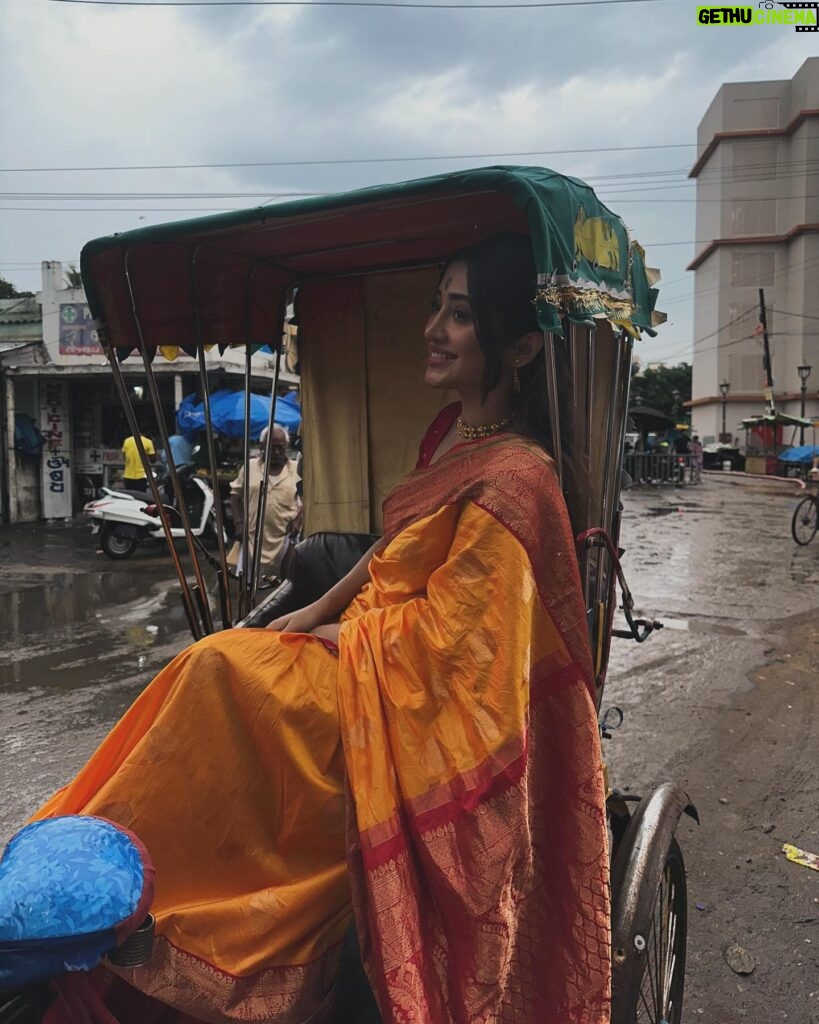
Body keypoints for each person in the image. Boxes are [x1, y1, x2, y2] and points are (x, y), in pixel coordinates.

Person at [28, 235, 610, 1024]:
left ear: (520, 345)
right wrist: (308, 613)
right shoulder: (449, 437)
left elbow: (463, 649)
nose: (434, 326)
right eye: (436, 304)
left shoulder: (521, 478)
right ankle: (94, 878)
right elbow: (388, 550)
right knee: (215, 662)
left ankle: (186, 916)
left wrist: (344, 640)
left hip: (415, 701)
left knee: (221, 675)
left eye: (461, 314)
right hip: (371, 653)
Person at [229, 425, 301, 576]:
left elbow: (308, 499)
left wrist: (298, 521)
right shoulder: (250, 467)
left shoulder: (296, 469)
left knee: (288, 582)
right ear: (262, 446)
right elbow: (235, 495)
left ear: (286, 447)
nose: (276, 452)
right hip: (252, 537)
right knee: (246, 585)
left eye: (280, 448)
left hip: (285, 537)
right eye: (271, 447)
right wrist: (238, 523)